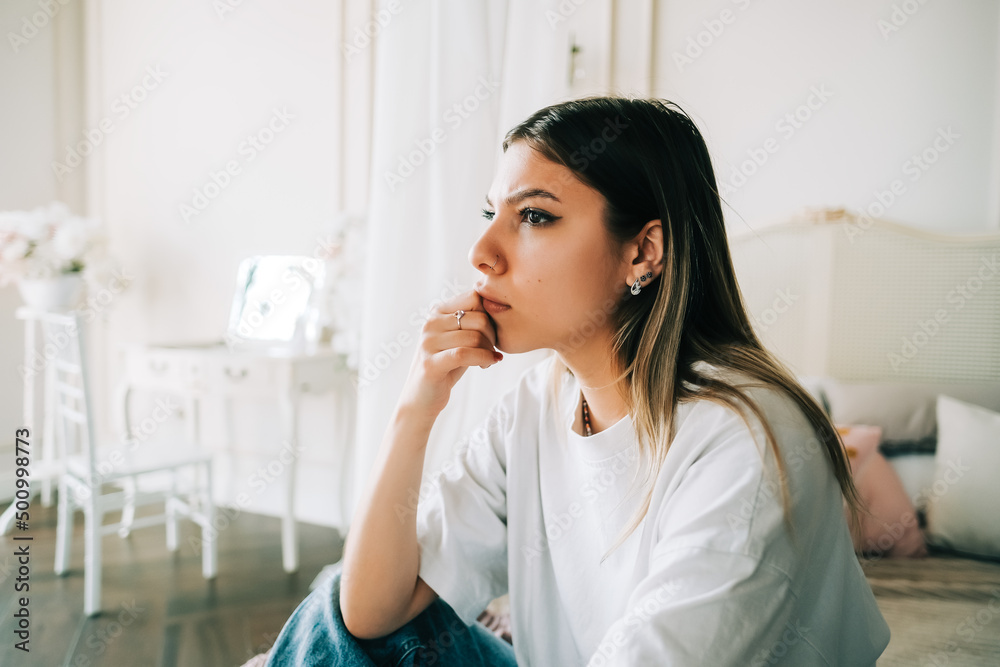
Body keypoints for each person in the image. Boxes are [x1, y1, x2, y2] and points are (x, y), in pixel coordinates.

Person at [263, 96, 890, 666]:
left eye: (534, 216)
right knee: (335, 606)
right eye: (491, 213)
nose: (482, 251)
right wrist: (415, 408)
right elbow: (371, 612)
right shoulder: (539, 403)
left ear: (643, 252)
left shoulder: (747, 442)